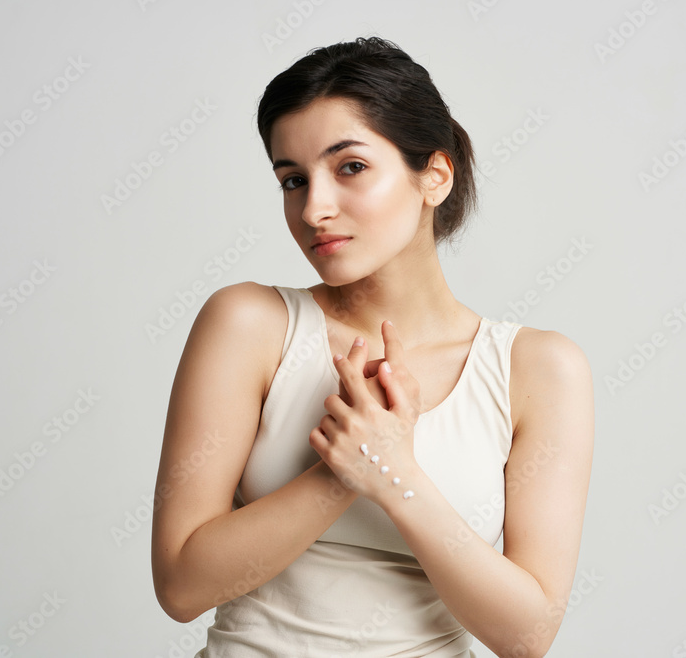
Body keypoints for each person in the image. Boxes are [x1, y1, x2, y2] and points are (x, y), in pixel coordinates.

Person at [151, 36, 595, 658]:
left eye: (350, 167)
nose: (314, 209)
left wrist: (393, 474)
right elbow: (180, 586)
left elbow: (527, 635)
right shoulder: (249, 324)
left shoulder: (538, 369)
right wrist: (341, 472)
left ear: (434, 176)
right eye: (293, 180)